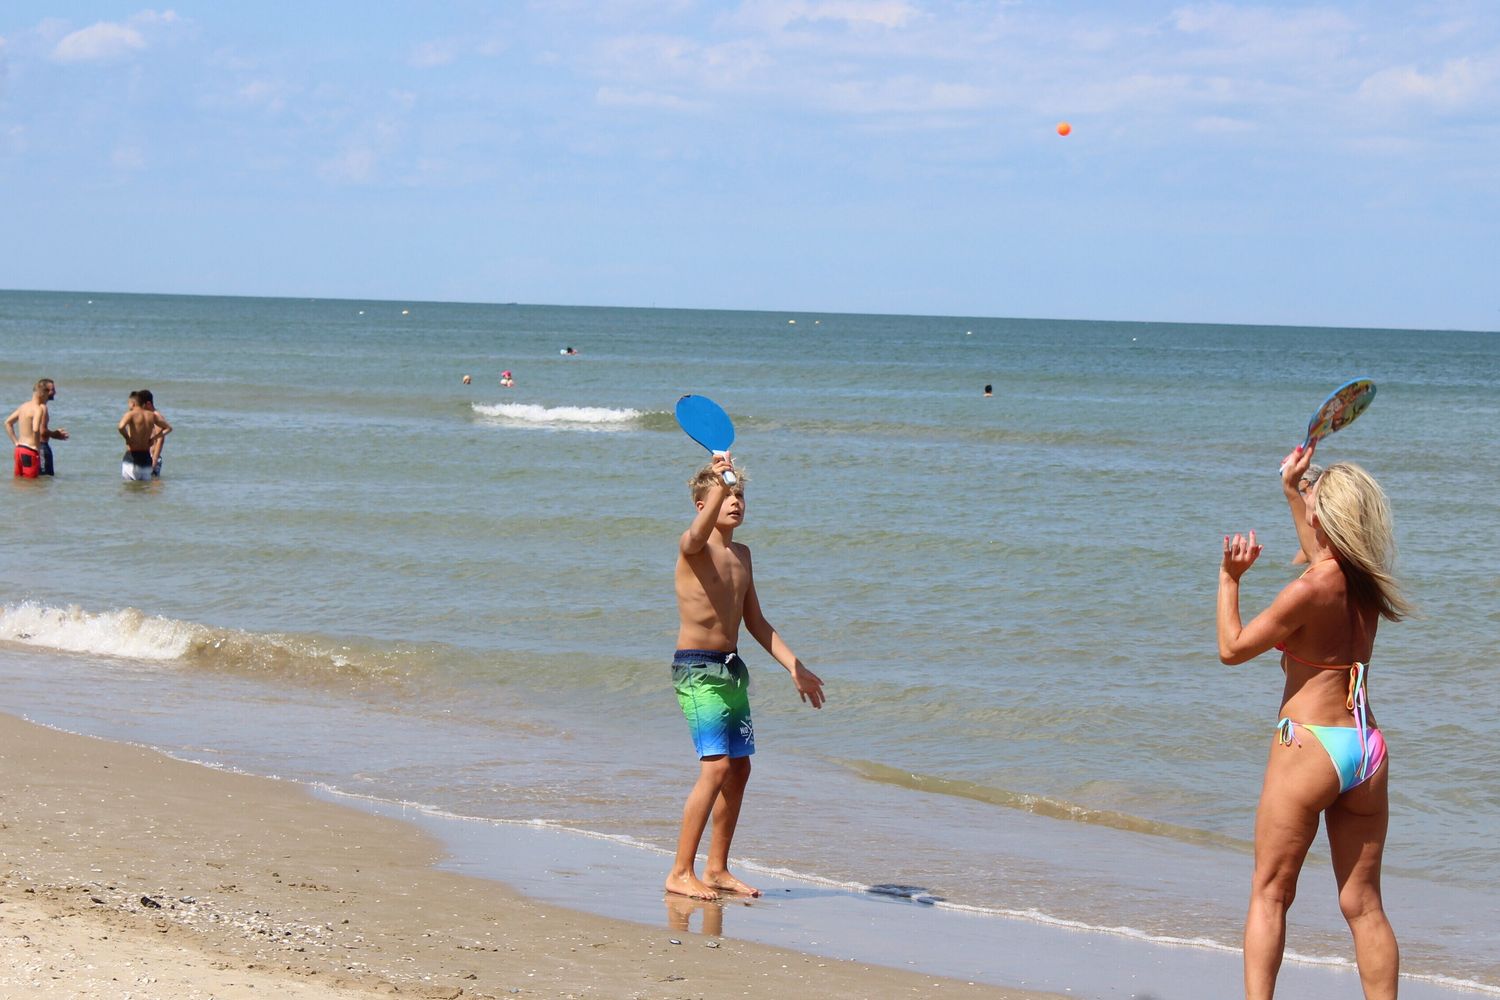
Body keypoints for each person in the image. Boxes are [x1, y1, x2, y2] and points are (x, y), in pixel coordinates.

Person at [1218, 443, 1408, 999]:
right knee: (1364, 905)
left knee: (1271, 893)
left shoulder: (1308, 589)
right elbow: (1321, 551)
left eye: (1312, 505)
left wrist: (1230, 579)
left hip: (1311, 748)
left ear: (1324, 517)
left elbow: (1232, 649)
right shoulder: (1366, 580)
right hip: (1366, 749)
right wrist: (1293, 489)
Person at [666, 454, 824, 901]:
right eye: (726, 495)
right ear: (703, 504)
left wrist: (795, 666)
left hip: (732, 669)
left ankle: (715, 869)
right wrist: (720, 476)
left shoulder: (743, 556)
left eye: (740, 496)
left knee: (739, 768)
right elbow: (697, 532)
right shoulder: (693, 546)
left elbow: (756, 622)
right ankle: (680, 871)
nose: (735, 502)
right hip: (697, 668)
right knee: (715, 768)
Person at [6, 378, 68, 478]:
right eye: (52, 390)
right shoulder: (41, 408)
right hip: (36, 448)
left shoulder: (24, 406)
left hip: (19, 449)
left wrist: (16, 442)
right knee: (39, 482)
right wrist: (54, 435)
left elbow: (7, 423)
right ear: (43, 392)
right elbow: (40, 431)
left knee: (20, 481)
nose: (55, 392)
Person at [118, 391, 172, 481]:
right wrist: (152, 439)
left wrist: (127, 438)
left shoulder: (131, 414)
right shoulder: (152, 416)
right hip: (146, 458)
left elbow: (120, 427)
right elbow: (168, 428)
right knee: (145, 489)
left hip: (134, 456)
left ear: (133, 403)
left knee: (129, 490)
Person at [138, 389, 171, 477]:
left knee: (153, 485)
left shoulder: (156, 416)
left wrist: (154, 461)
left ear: (148, 404)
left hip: (153, 458)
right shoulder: (147, 416)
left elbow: (160, 439)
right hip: (146, 456)